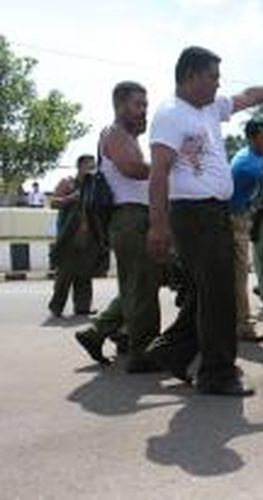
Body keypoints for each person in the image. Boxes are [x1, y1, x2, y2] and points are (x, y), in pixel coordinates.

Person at [146, 45, 263, 396]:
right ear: (189, 76)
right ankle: (217, 374)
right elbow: (158, 173)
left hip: (215, 212)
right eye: (212, 76)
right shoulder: (171, 114)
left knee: (207, 292)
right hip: (192, 213)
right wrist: (158, 225)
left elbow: (248, 96)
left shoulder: (210, 108)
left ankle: (171, 351)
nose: (218, 84)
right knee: (220, 295)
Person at [75, 81, 161, 372]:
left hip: (135, 217)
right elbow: (132, 169)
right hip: (130, 218)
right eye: (138, 105)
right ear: (120, 105)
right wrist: (167, 166)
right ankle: (143, 354)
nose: (143, 111)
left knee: (139, 284)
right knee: (142, 287)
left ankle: (98, 332)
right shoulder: (115, 133)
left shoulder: (127, 136)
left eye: (145, 105)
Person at [229, 118, 263, 339]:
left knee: (235, 274)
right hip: (233, 220)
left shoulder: (250, 156)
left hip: (239, 217)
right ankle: (242, 327)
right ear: (252, 138)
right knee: (238, 274)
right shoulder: (250, 163)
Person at [48, 155, 101, 317]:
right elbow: (53, 203)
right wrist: (71, 198)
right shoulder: (68, 182)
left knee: (85, 273)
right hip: (68, 235)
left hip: (88, 236)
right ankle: (56, 307)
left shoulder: (94, 186)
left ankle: (82, 307)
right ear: (79, 167)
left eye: (94, 166)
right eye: (88, 166)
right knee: (65, 273)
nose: (91, 169)